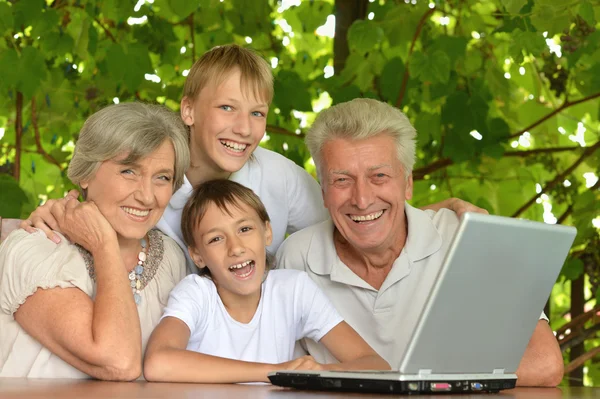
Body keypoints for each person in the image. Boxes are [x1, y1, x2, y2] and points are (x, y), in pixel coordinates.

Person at [21, 45, 485, 271]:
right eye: (226, 108)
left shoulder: (279, 177)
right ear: (188, 110)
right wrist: (56, 214)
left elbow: (357, 215)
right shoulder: (154, 176)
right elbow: (99, 200)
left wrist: (428, 213)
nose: (244, 129)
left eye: (257, 113)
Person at [276, 98, 565, 387]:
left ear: (408, 183)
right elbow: (284, 375)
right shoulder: (297, 257)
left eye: (379, 176)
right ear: (323, 191)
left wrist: (408, 383)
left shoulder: (463, 238)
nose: (362, 200)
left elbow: (544, 362)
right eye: (342, 180)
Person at [0, 103, 190, 380]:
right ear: (85, 173)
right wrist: (104, 245)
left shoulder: (170, 257)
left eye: (162, 177)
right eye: (129, 172)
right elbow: (118, 361)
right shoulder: (37, 250)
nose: (147, 196)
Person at [143, 180, 390, 383]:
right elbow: (157, 363)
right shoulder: (196, 293)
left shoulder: (293, 290)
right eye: (216, 239)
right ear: (197, 255)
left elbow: (377, 365)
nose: (236, 248)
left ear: (267, 232)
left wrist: (320, 372)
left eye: (245, 229)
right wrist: (275, 371)